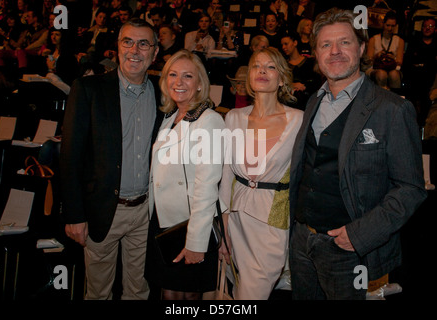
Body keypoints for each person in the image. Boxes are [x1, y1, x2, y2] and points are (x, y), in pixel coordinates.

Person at [288, 8, 427, 300]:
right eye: (326, 45)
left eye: (345, 42)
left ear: (362, 47)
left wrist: (360, 235)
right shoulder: (314, 100)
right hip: (302, 241)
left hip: (348, 251)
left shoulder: (392, 109)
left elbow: (411, 189)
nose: (335, 51)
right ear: (315, 53)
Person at [60, 18, 162, 300]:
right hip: (102, 211)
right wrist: (74, 215)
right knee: (98, 293)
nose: (134, 50)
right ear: (116, 48)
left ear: (154, 53)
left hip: (146, 212)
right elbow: (70, 157)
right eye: (127, 41)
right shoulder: (88, 89)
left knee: (139, 291)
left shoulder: (164, 93)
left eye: (144, 44)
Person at [219, 47, 303, 300]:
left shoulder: (299, 120)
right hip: (235, 220)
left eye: (271, 66)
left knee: (251, 293)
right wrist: (223, 231)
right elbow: (226, 177)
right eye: (257, 66)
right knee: (237, 289)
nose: (262, 71)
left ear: (282, 78)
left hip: (271, 222)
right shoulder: (232, 118)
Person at [145, 49, 225, 300]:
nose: (178, 82)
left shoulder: (209, 120)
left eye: (187, 76)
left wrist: (196, 242)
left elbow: (207, 186)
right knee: (167, 294)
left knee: (185, 298)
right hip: (163, 225)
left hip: (188, 227)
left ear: (200, 84)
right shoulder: (169, 118)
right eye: (173, 75)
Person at [281, 31, 322, 110]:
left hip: (310, 104)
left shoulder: (310, 62)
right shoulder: (283, 65)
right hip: (289, 106)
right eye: (282, 45)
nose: (283, 47)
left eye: (286, 44)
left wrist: (304, 86)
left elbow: (317, 83)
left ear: (295, 43)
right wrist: (292, 84)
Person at [366, 11, 405, 90]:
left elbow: (399, 61)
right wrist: (377, 56)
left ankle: (395, 99)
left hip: (393, 68)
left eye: (393, 26)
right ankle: (381, 99)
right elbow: (368, 60)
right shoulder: (374, 39)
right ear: (383, 24)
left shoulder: (399, 41)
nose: (390, 28)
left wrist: (392, 57)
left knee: (394, 75)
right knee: (381, 74)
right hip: (375, 68)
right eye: (388, 25)